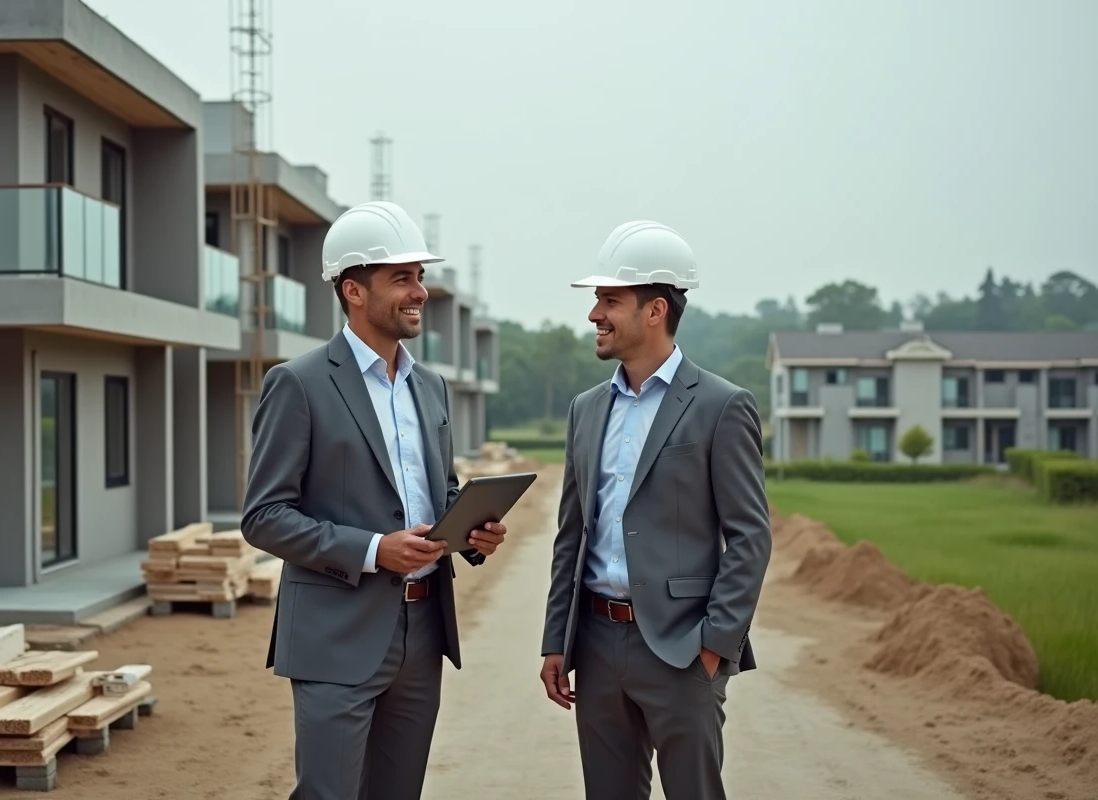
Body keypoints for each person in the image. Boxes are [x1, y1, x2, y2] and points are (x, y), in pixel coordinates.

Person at [242, 200, 507, 800]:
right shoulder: (298, 383)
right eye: (403, 279)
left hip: (423, 634)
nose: (420, 293)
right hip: (335, 635)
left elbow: (437, 496)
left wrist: (471, 532)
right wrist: (372, 550)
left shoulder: (431, 386)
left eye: (419, 277)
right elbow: (263, 516)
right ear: (353, 290)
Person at [538, 221, 772, 800]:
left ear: (655, 309)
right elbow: (573, 533)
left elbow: (750, 537)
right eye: (597, 300)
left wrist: (715, 646)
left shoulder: (721, 406)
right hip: (594, 644)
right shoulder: (585, 409)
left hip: (681, 650)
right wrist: (556, 640)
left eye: (609, 300)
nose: (595, 313)